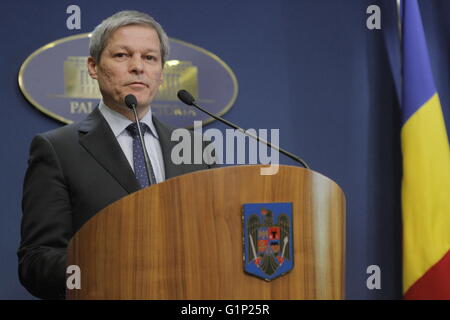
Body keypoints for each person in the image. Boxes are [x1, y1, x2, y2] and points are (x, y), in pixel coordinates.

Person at [18, 10, 215, 300]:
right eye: (122, 55)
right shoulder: (57, 150)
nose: (138, 67)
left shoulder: (197, 150)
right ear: (93, 67)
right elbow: (37, 263)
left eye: (149, 58)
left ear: (161, 72)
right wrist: (106, 270)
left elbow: (213, 245)